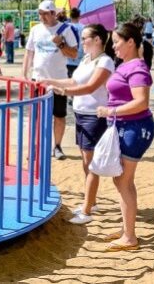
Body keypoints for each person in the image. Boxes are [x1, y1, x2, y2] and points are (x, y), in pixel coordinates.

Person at [43, 24, 115, 224]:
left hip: (94, 116)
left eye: (85, 38)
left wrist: (63, 92)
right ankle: (90, 202)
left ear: (98, 39)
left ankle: (87, 210)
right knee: (86, 162)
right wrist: (50, 81)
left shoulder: (105, 62)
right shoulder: (86, 59)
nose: (81, 42)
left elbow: (90, 87)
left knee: (90, 163)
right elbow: (74, 82)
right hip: (81, 114)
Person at [95, 22, 154, 251]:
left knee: (123, 181)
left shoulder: (137, 67)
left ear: (130, 42)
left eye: (117, 41)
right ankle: (126, 229)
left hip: (134, 128)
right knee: (121, 180)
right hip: (125, 126)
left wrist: (111, 111)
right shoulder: (127, 64)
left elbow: (141, 101)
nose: (113, 46)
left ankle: (129, 236)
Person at [23, 0, 78, 160]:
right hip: (38, 80)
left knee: (59, 115)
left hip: (58, 80)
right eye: (39, 13)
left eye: (45, 14)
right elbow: (29, 52)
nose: (42, 17)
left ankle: (57, 146)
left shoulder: (65, 29)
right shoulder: (35, 30)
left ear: (53, 13)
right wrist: (24, 74)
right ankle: (33, 147)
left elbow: (74, 54)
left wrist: (60, 44)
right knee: (35, 116)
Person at [66, 8, 85, 78]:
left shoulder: (65, 27)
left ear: (70, 16)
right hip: (80, 59)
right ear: (79, 16)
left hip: (67, 59)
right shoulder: (84, 28)